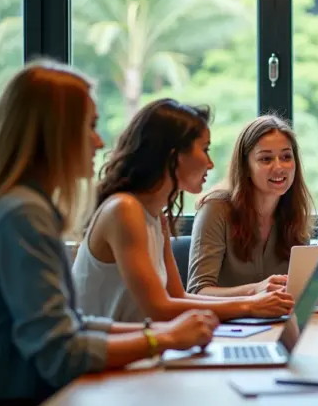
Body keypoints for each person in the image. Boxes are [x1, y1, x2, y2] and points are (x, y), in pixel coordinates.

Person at [0, 62, 218, 404]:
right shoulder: (21, 215)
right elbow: (62, 354)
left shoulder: (24, 206)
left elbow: (72, 323)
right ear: (53, 133)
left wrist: (163, 332)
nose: (99, 141)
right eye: (89, 126)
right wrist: (162, 340)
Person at [72, 100, 294, 323]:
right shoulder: (124, 210)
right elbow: (160, 308)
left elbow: (178, 297)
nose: (210, 163)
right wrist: (250, 305)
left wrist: (257, 301)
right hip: (108, 355)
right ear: (174, 156)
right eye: (205, 150)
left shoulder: (157, 216)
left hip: (138, 349)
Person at [186, 115, 313, 296]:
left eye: (286, 156)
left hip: (278, 320)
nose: (279, 167)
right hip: (227, 322)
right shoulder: (215, 209)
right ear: (245, 166)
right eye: (266, 159)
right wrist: (255, 290)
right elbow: (198, 291)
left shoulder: (295, 211)